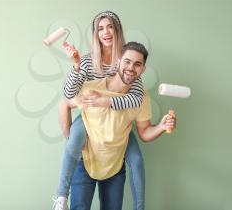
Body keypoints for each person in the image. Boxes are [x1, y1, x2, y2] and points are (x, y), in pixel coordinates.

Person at [65, 42, 176, 210]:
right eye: (127, 61)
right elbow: (64, 104)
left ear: (143, 69)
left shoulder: (140, 98)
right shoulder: (92, 87)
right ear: (118, 62)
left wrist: (161, 126)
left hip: (115, 166)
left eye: (137, 64)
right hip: (85, 163)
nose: (131, 67)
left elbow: (145, 133)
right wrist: (71, 137)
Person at [53, 11, 146, 210]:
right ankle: (61, 196)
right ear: (95, 34)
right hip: (92, 122)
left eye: (110, 27)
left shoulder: (128, 60)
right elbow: (68, 94)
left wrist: (105, 101)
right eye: (100, 28)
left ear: (118, 30)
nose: (106, 32)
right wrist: (77, 65)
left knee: (136, 159)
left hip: (119, 123)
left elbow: (136, 97)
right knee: (74, 140)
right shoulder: (88, 61)